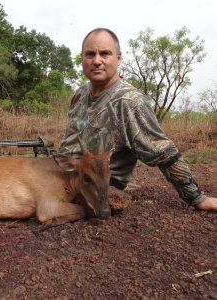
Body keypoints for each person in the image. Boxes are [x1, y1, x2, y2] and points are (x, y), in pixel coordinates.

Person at [59, 28, 217, 211]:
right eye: (90, 54)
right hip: (62, 174)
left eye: (104, 54)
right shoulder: (80, 93)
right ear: (82, 59)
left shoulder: (129, 101)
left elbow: (165, 152)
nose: (96, 61)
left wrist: (197, 198)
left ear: (118, 58)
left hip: (93, 186)